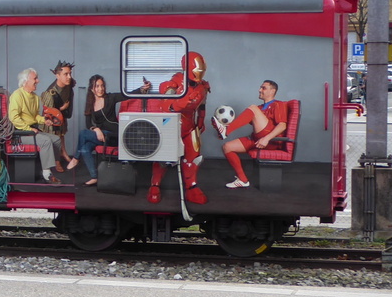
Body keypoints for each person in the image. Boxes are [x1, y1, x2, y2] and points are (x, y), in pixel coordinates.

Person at [139, 52, 210, 205]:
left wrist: (201, 120)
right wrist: (180, 103)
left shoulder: (202, 86)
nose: (200, 72)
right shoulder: (175, 83)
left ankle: (191, 187)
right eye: (197, 69)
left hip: (190, 126)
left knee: (194, 156)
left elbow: (202, 105)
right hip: (171, 124)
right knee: (164, 155)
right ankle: (155, 185)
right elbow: (165, 106)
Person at [214, 79, 289, 189]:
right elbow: (246, 121)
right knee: (227, 147)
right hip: (256, 139)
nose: (259, 90)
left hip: (270, 141)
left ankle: (226, 130)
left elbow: (282, 125)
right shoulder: (258, 109)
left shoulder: (278, 104)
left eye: (263, 88)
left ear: (272, 91)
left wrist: (266, 139)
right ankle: (242, 179)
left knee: (252, 108)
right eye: (260, 87)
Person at [7, 67, 63, 184]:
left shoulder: (36, 97)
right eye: (35, 78)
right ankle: (47, 174)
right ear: (25, 81)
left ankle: (49, 166)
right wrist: (28, 129)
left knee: (57, 140)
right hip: (20, 133)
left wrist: (44, 120)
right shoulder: (17, 95)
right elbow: (14, 118)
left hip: (32, 130)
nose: (38, 81)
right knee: (46, 141)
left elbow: (35, 116)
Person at [75, 75, 122, 186]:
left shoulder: (110, 98)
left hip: (113, 136)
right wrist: (96, 129)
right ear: (92, 88)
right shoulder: (90, 103)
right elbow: (88, 124)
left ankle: (76, 158)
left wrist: (142, 89)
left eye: (102, 86)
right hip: (101, 136)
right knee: (85, 149)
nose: (100, 89)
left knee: (83, 134)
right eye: (97, 86)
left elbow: (125, 95)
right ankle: (94, 177)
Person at [41, 60, 75, 170]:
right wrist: (61, 109)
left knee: (61, 134)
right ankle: (57, 161)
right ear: (57, 75)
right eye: (66, 74)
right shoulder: (50, 92)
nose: (69, 76)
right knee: (55, 137)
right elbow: (48, 112)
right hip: (51, 120)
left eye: (70, 73)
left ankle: (63, 153)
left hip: (62, 117)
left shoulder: (68, 85)